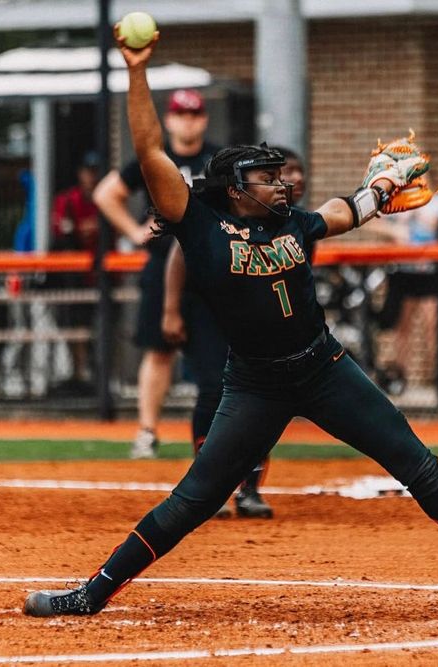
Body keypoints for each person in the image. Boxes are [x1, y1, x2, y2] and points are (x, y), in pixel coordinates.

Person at [23, 29, 438, 618]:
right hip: (255, 383)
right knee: (195, 499)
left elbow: (344, 209)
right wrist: (137, 70)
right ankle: (90, 593)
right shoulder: (198, 223)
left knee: (416, 463)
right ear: (234, 188)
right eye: (265, 177)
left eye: (280, 176)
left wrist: (381, 186)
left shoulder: (295, 222)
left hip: (324, 368)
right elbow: (151, 152)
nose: (281, 182)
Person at [161, 147, 307, 518]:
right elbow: (181, 253)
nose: (291, 179)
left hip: (253, 317)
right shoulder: (218, 217)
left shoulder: (295, 220)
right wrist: (171, 308)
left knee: (267, 398)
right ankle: (206, 486)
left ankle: (250, 489)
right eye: (275, 175)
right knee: (213, 388)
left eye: (291, 173)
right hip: (208, 309)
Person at [93, 87, 219, 459]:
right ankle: (147, 431)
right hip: (163, 265)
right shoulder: (154, 157)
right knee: (159, 349)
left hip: (209, 268)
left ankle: (216, 435)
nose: (188, 121)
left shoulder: (217, 158)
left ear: (205, 119)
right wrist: (134, 233)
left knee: (216, 357)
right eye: (181, 114)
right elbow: (105, 193)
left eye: (195, 114)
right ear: (168, 119)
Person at [368, 181, 438, 393]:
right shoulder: (397, 202)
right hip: (403, 272)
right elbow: (369, 222)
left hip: (429, 272)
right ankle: (399, 378)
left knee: (432, 324)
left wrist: (435, 223)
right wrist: (394, 230)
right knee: (402, 327)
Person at [49, 150, 106, 387]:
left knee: (105, 327)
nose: (91, 177)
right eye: (87, 171)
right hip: (74, 276)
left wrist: (94, 227)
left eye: (95, 172)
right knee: (75, 326)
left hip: (104, 275)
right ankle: (80, 374)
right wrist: (85, 228)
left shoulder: (109, 196)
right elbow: (62, 230)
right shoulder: (68, 199)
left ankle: (105, 378)